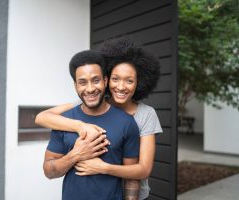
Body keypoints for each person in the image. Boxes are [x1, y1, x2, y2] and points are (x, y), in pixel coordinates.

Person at [38, 38, 162, 200]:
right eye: (115, 79)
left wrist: (103, 167)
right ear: (107, 80)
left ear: (139, 83)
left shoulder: (143, 115)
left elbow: (143, 169)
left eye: (129, 81)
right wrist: (81, 127)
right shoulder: (90, 99)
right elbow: (42, 117)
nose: (121, 86)